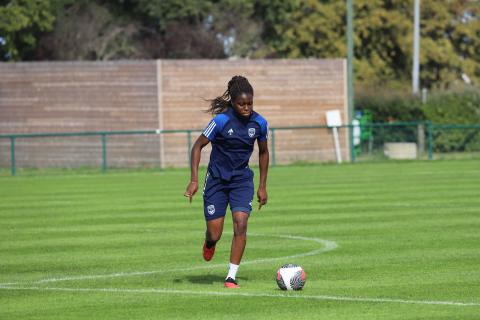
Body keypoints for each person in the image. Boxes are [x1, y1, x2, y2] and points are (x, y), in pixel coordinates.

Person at [184, 75, 269, 288]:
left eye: (250, 103)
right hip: (216, 181)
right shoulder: (220, 121)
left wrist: (262, 186)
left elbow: (264, 152)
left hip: (241, 180)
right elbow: (197, 146)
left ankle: (231, 276)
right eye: (242, 104)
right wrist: (194, 180)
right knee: (215, 233)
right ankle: (209, 242)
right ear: (232, 102)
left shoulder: (259, 123)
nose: (247, 107)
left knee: (241, 223)